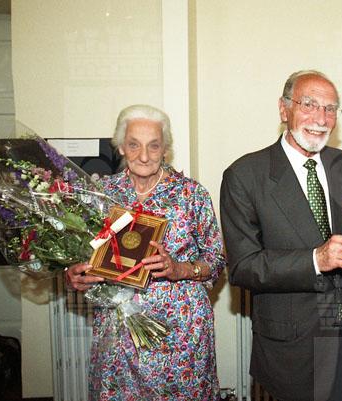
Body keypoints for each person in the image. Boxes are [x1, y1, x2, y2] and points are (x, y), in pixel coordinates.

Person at [220, 70, 342, 401]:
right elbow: (244, 267)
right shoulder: (244, 175)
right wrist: (316, 259)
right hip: (292, 352)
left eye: (330, 108)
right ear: (284, 109)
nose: (321, 118)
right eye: (309, 104)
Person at [66, 104, 226, 400]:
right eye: (133, 145)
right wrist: (73, 274)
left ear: (165, 149)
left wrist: (179, 268)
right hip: (118, 330)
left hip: (181, 332)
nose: (143, 156)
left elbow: (215, 261)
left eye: (153, 146)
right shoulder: (101, 194)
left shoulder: (191, 194)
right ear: (120, 147)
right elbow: (80, 254)